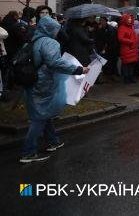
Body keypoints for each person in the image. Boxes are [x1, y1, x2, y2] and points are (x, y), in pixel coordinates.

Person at [20, 16, 88, 163]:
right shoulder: (50, 42)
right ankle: (28, 152)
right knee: (40, 117)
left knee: (44, 112)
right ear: (50, 29)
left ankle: (53, 141)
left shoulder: (33, 40)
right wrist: (79, 69)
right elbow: (55, 63)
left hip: (32, 81)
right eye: (55, 29)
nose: (57, 32)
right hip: (44, 83)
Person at [117, 13, 139, 84]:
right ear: (125, 19)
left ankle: (130, 77)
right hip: (126, 49)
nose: (130, 19)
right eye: (128, 18)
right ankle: (126, 78)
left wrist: (136, 39)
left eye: (130, 18)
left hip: (132, 48)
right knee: (126, 64)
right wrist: (131, 41)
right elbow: (120, 38)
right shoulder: (122, 27)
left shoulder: (131, 27)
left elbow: (134, 35)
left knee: (131, 63)